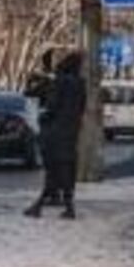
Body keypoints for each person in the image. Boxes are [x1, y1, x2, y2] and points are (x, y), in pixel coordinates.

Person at [25, 49, 85, 219]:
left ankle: (44, 205)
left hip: (55, 133)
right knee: (64, 170)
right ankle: (51, 204)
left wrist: (44, 118)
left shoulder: (61, 82)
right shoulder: (80, 84)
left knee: (54, 170)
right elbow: (81, 107)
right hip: (71, 132)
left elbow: (52, 105)